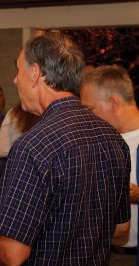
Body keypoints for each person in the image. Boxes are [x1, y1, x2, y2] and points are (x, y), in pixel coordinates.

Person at [0, 34, 131, 265]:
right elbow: (122, 231)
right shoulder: (113, 139)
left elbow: (12, 253)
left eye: (18, 70)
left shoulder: (32, 146)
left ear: (34, 73)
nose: (15, 80)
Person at [80, 65, 139, 266]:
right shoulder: (99, 144)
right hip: (107, 254)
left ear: (113, 103)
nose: (86, 118)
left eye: (89, 110)